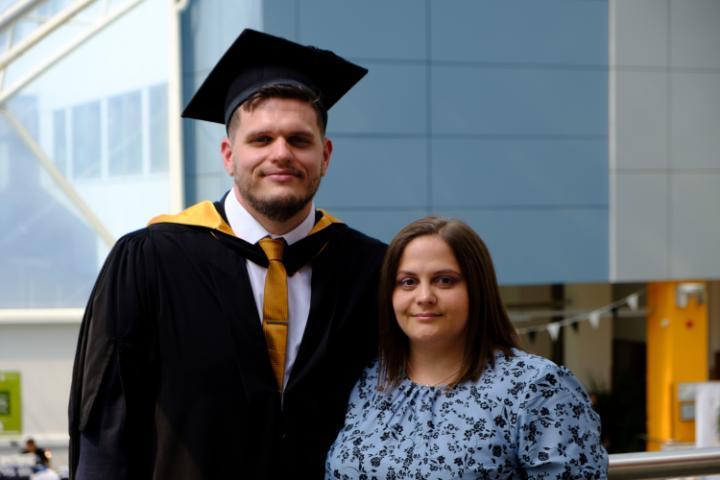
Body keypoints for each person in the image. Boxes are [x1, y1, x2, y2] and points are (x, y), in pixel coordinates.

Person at [68, 29, 386, 479]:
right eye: (261, 140)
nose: (281, 154)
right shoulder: (151, 259)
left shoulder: (370, 269)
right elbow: (108, 426)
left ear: (325, 154)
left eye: (299, 140)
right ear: (228, 155)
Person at [326, 217, 608, 479]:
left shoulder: (538, 389)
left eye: (444, 280)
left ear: (477, 288)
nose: (424, 297)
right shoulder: (371, 380)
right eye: (408, 282)